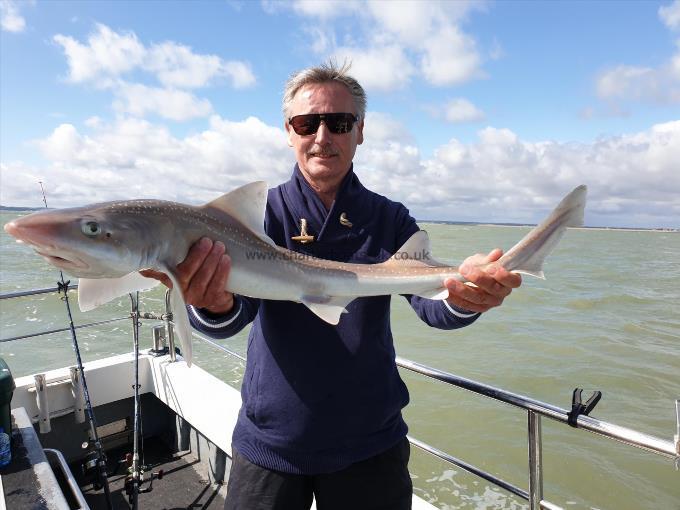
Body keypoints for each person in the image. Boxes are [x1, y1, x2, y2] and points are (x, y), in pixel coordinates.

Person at [142, 62, 521, 510]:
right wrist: (211, 301)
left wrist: (467, 294)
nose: (322, 137)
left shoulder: (388, 218)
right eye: (307, 123)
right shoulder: (259, 217)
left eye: (338, 123)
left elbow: (432, 306)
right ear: (289, 131)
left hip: (370, 443)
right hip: (272, 443)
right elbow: (231, 318)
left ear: (360, 131)